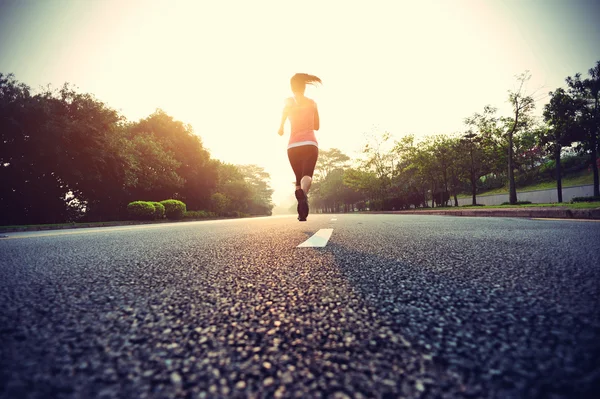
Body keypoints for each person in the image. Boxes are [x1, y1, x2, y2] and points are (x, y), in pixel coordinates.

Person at [278, 73, 321, 221]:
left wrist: (281, 127)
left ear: (291, 88)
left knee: (297, 177)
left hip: (293, 146)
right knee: (307, 175)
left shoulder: (289, 102)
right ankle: (303, 193)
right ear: (304, 87)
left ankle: (301, 212)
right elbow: (317, 126)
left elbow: (283, 119)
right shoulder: (312, 103)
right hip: (310, 143)